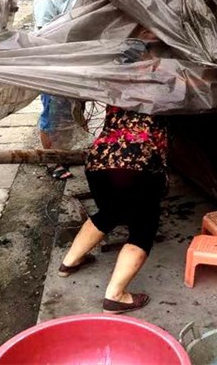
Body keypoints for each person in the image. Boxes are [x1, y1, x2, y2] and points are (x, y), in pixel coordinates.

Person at [57, 104, 167, 314]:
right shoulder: (164, 87)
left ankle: (69, 263)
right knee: (143, 227)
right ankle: (116, 297)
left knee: (110, 212)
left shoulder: (118, 83)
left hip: (99, 162)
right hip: (137, 164)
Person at [33, 0, 82, 179]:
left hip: (76, 60)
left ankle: (65, 155)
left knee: (70, 111)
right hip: (52, 64)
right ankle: (52, 160)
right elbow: (46, 40)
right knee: (52, 112)